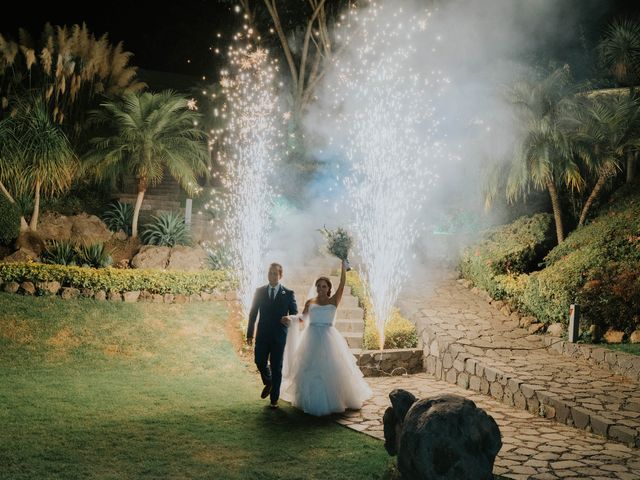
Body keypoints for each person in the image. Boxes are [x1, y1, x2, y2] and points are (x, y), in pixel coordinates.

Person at [281, 259, 372, 416]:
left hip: (329, 338)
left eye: (324, 286)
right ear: (316, 288)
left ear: (329, 288)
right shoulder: (311, 302)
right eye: (319, 286)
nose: (321, 289)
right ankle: (311, 401)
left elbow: (343, 284)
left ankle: (336, 400)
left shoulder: (333, 300)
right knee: (310, 370)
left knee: (332, 369)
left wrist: (343, 267)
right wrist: (291, 319)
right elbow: (303, 318)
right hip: (311, 338)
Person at [246, 262, 298, 409]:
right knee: (259, 361)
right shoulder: (259, 291)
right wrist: (250, 334)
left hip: (279, 337)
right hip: (262, 335)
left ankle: (274, 399)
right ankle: (269, 381)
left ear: (280, 276)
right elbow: (253, 313)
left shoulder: (288, 294)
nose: (272, 275)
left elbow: (294, 313)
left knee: (277, 367)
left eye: (275, 273)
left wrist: (289, 318)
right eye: (270, 273)